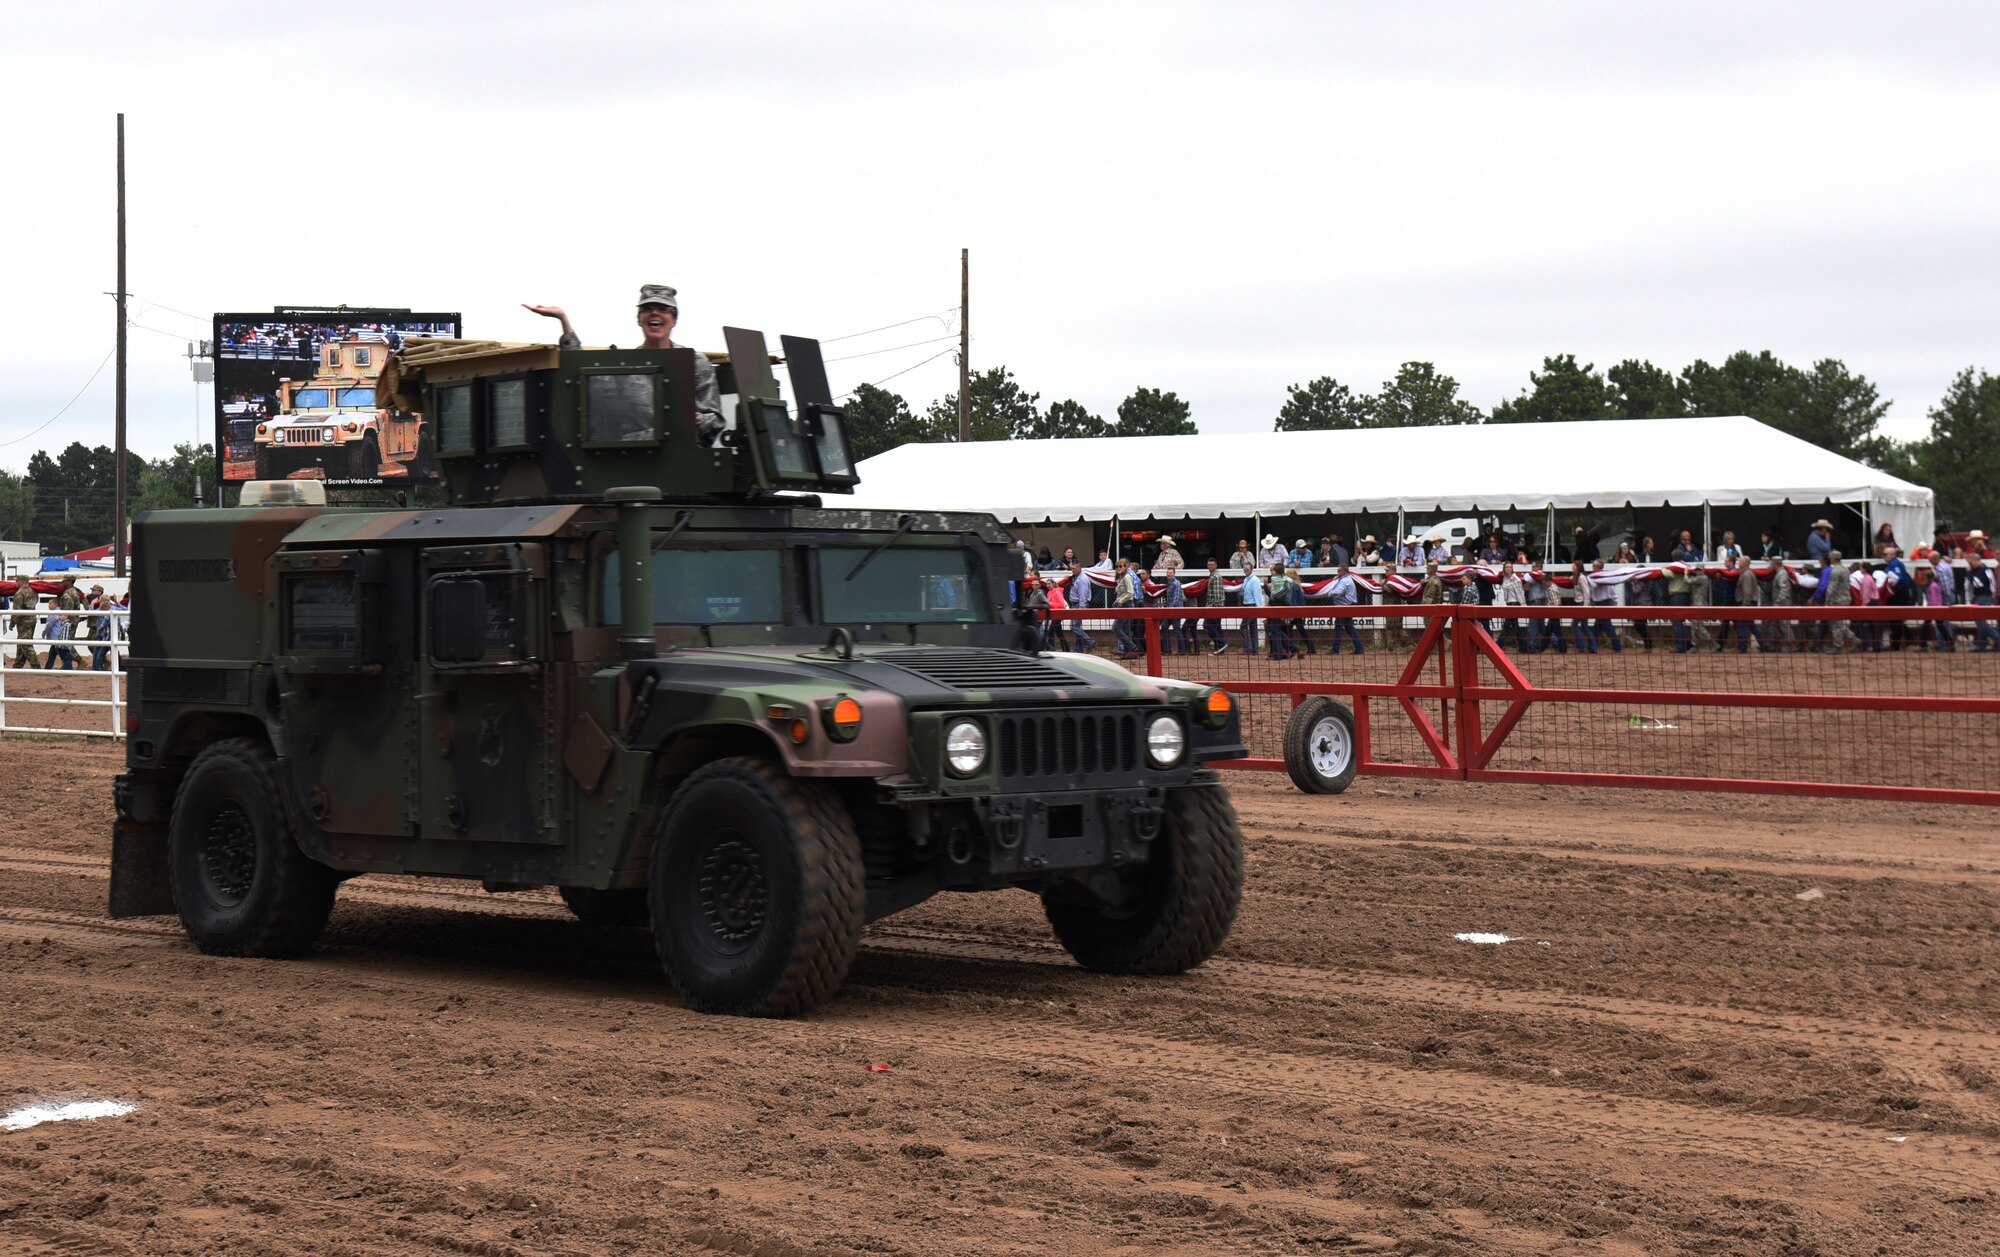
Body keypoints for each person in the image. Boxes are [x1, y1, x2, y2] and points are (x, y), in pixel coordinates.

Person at [523, 284, 724, 439]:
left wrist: (697, 420)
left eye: (663, 308)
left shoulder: (694, 362)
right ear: (639, 319)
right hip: (637, 457)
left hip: (683, 461)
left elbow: (714, 420)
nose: (654, 313)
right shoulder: (627, 364)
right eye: (647, 309)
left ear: (674, 320)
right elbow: (583, 375)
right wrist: (564, 322)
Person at [43, 576, 82, 670]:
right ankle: (63, 665)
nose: (62, 582)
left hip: (69, 621)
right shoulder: (71, 592)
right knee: (59, 645)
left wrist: (65, 617)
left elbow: (68, 607)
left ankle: (75, 663)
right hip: (70, 619)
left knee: (65, 644)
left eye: (64, 580)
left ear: (69, 581)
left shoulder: (69, 594)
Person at [1325, 563, 1363, 654]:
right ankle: (1359, 648)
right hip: (1346, 606)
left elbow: (1338, 592)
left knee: (1338, 627)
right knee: (1349, 627)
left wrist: (1327, 593)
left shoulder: (1344, 581)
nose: (1337, 572)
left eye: (1339, 570)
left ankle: (1335, 649)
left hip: (1344, 606)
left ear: (1343, 571)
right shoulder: (1345, 579)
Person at [1968, 551, 1999, 651]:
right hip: (1986, 596)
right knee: (1981, 622)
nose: (1970, 565)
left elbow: (1977, 583)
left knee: (1981, 622)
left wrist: (1969, 574)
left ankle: (1997, 638)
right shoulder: (1986, 569)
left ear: (1974, 560)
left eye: (1970, 562)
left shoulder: (1981, 569)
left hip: (1983, 597)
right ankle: (1982, 645)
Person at [8, 577, 38, 670]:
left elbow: (17, 610)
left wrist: (12, 623)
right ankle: (18, 664)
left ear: (21, 582)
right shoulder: (33, 591)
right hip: (32, 619)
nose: (15, 582)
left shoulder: (20, 593)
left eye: (16, 581)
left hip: (23, 621)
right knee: (22, 642)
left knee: (25, 643)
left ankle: (36, 665)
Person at [1064, 564, 1096, 652]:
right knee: (1077, 626)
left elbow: (1083, 594)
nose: (1073, 570)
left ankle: (1089, 642)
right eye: (1072, 568)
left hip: (1079, 604)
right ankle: (1078, 649)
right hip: (1076, 604)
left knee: (1074, 626)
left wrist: (1082, 607)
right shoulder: (1076, 577)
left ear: (1079, 568)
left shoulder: (1082, 579)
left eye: (1074, 568)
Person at [1201, 558, 1230, 654]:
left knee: (1207, 625)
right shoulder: (1213, 576)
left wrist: (1215, 606)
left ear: (1216, 565)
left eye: (1212, 564)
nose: (1210, 566)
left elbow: (1217, 593)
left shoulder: (1216, 577)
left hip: (1214, 606)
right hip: (1214, 605)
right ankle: (1220, 648)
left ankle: (1221, 643)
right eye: (1209, 564)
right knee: (1216, 626)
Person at [1237, 563, 1265, 655]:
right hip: (1248, 605)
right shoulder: (1246, 579)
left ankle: (1248, 647)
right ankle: (1254, 649)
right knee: (1253, 627)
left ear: (1251, 569)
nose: (1246, 570)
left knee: (1243, 626)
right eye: (1244, 569)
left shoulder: (1254, 580)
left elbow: (1257, 594)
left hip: (1251, 606)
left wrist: (1259, 608)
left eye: (1247, 569)